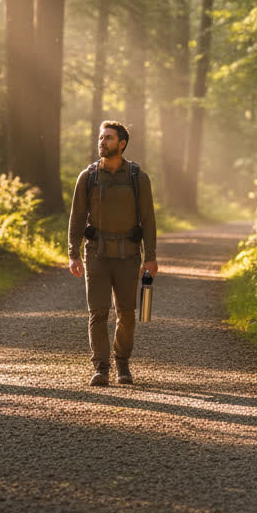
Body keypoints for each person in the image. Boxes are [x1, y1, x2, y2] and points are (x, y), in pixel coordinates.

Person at [68, 121, 158, 386]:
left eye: (108, 138)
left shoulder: (137, 177)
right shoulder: (88, 177)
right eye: (101, 137)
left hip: (128, 255)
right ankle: (101, 368)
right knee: (98, 312)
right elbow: (76, 218)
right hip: (95, 254)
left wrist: (150, 257)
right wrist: (73, 253)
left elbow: (148, 220)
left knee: (127, 314)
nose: (102, 142)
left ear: (122, 143)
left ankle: (122, 363)